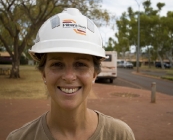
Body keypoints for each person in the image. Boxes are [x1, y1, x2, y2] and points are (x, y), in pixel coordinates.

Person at [6, 8, 135, 140]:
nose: (69, 77)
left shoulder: (120, 135)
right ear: (43, 74)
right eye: (57, 64)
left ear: (94, 74)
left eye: (80, 65)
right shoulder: (19, 138)